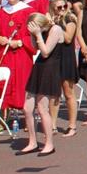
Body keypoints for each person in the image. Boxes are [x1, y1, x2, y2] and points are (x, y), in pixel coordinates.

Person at [22, 12, 62, 155]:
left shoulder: (55, 29)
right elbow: (35, 49)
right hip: (39, 67)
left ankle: (49, 143)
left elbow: (45, 52)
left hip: (50, 68)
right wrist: (33, 35)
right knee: (27, 108)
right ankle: (32, 142)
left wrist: (38, 34)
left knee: (42, 108)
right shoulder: (39, 32)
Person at [48, 0, 79, 137]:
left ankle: (72, 126)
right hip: (53, 58)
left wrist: (55, 25)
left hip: (66, 58)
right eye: (58, 7)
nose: (61, 8)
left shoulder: (70, 18)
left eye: (64, 6)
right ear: (53, 8)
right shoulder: (50, 19)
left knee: (68, 93)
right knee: (53, 94)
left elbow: (67, 38)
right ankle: (52, 126)